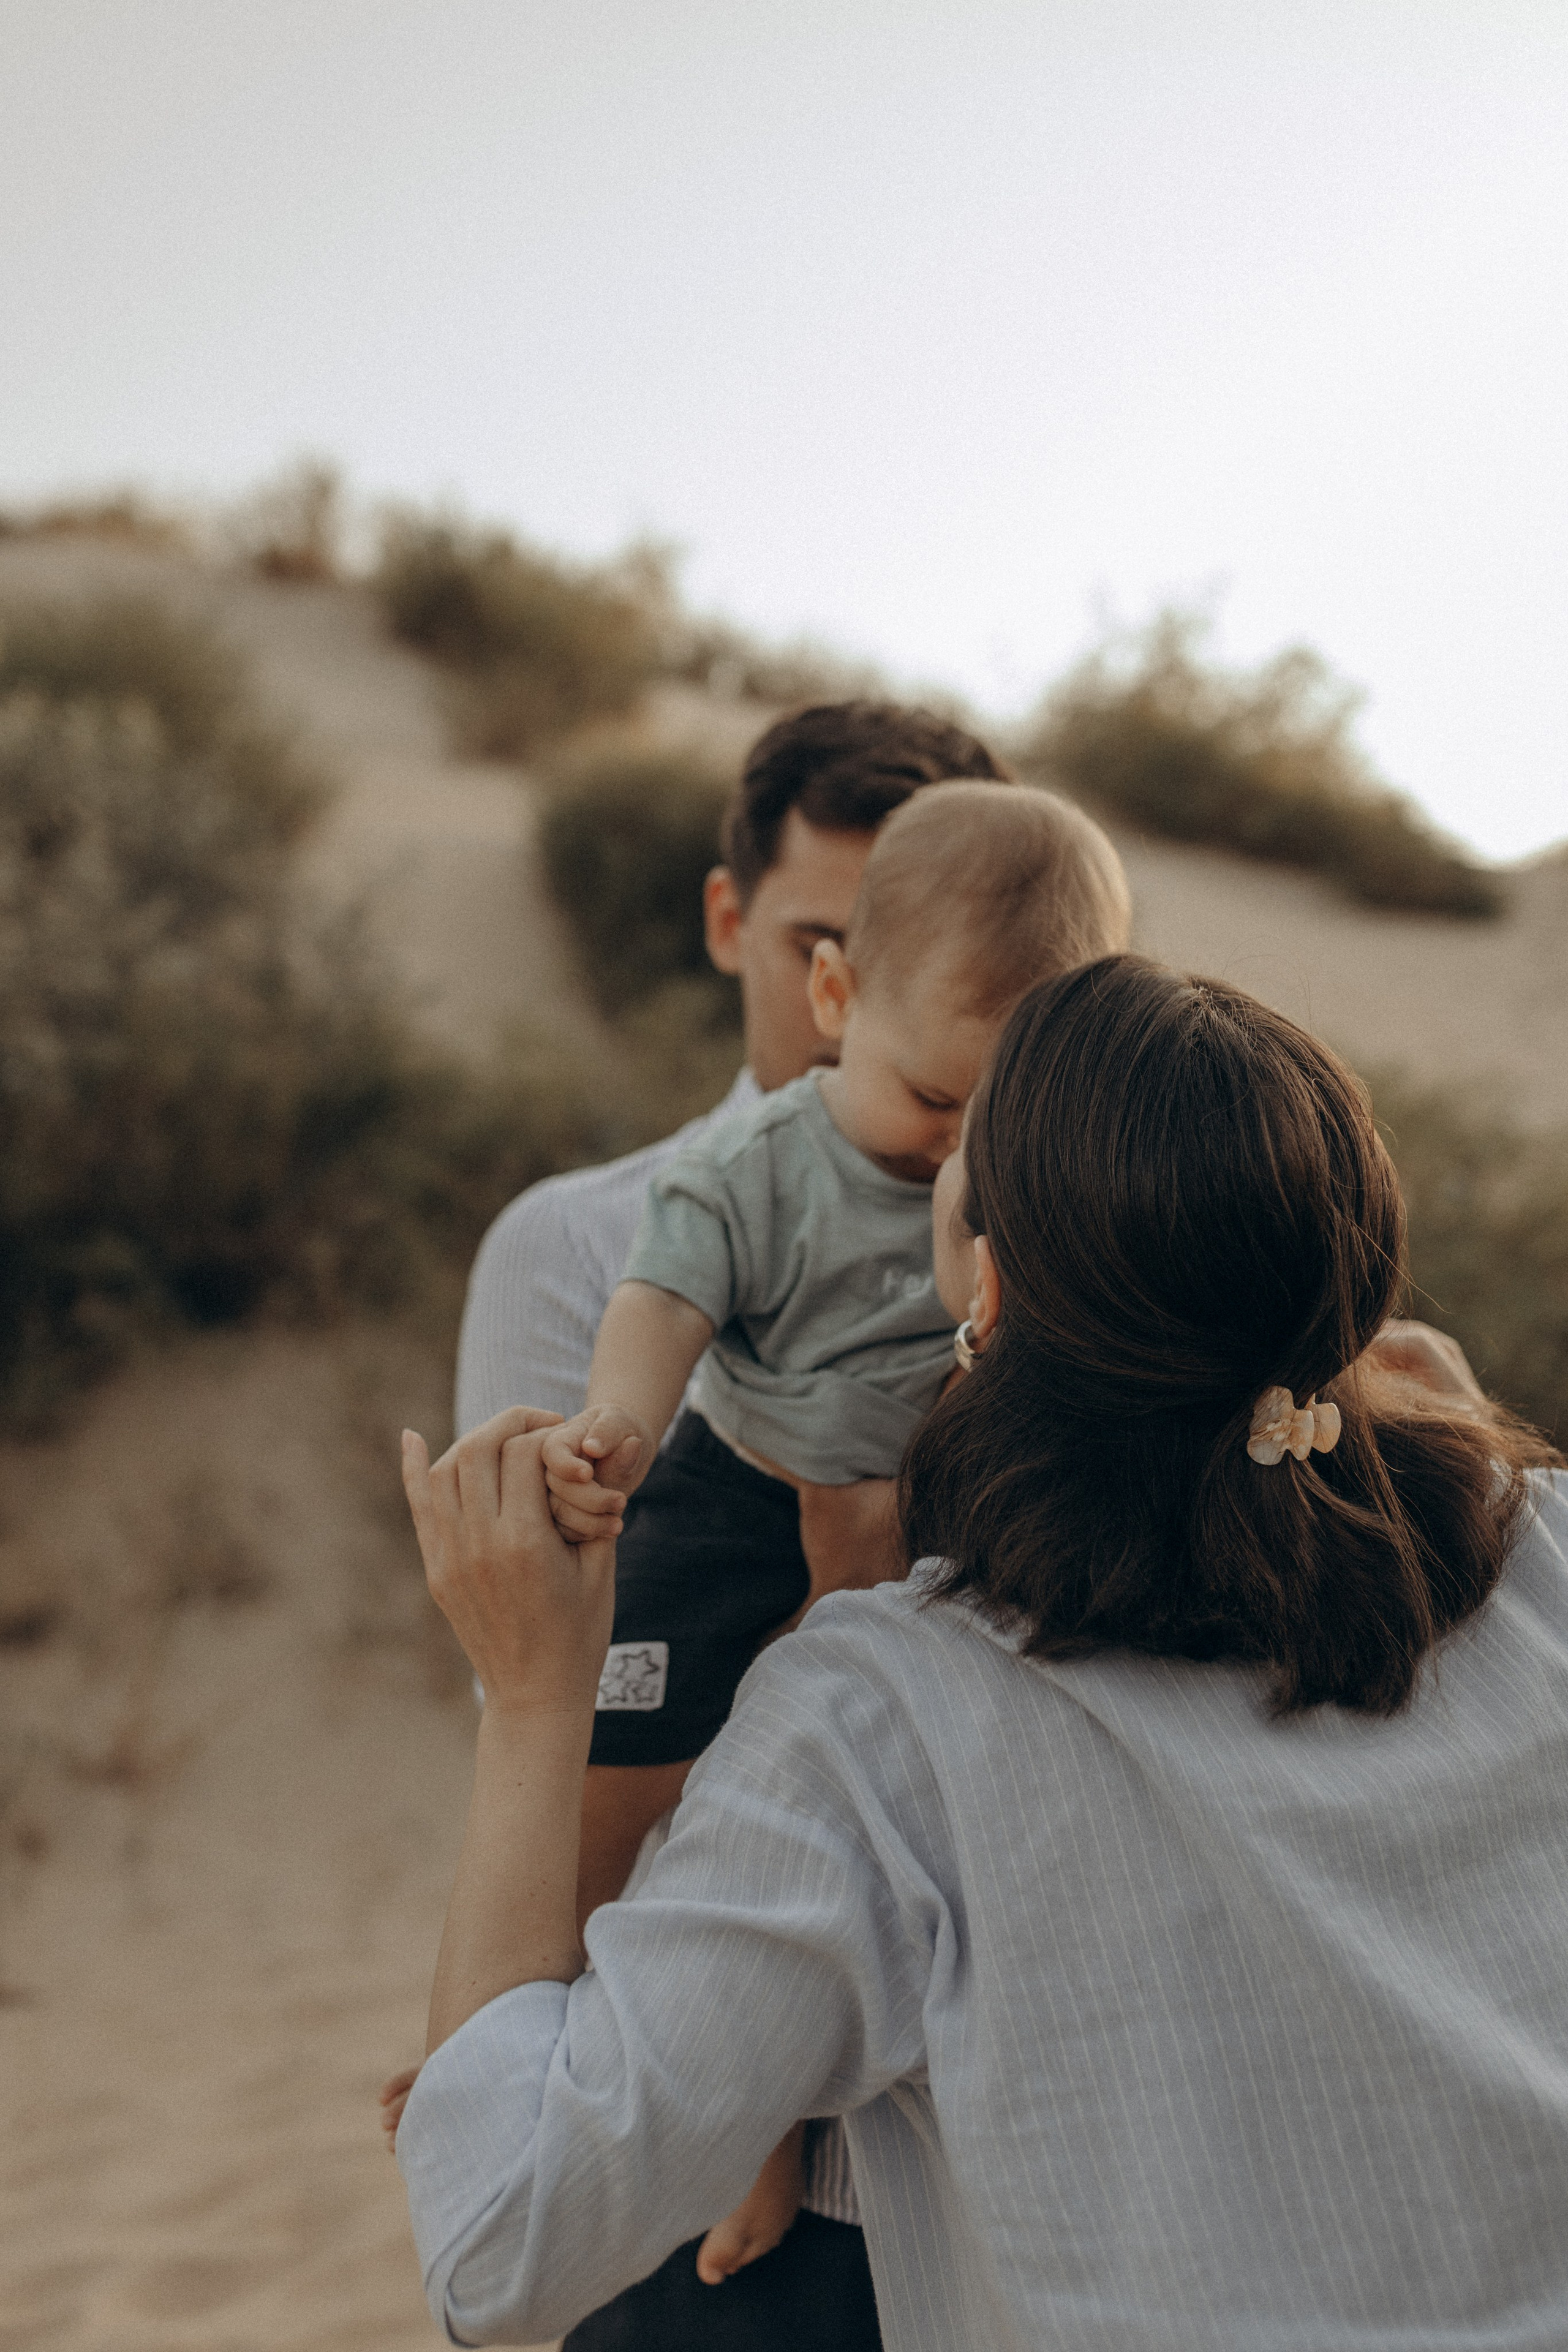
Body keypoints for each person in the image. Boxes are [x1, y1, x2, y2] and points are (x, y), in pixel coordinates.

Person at [394, 954, 1567, 2349]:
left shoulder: (888, 1716)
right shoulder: (1537, 1551)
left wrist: (535, 1692)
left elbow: (498, 2239)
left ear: (989, 1292)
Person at [445, 700, 1014, 2340]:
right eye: (818, 943)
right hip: (683, 2147)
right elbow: (552, 1686)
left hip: (965, 2128)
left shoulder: (1037, 1225)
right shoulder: (585, 1245)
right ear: (738, 927)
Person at [537, 778, 1130, 2289]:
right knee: (614, 1779)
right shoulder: (760, 1170)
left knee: (809, 1824)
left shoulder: (1024, 1184)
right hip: (732, 1495)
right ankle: (532, 2030)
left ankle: (761, 2147)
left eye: (994, 1120)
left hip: (931, 1532)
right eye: (933, 1101)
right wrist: (618, 1420)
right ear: (830, 992)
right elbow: (664, 1293)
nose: (954, 1158)